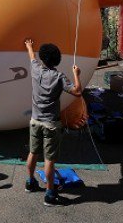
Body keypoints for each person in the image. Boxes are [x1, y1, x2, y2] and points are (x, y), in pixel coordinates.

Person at [23, 39, 82, 207]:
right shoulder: (59, 77)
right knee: (49, 160)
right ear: (57, 60)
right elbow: (77, 92)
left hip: (35, 121)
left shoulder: (35, 70)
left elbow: (31, 58)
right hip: (51, 124)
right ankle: (50, 194)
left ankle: (30, 182)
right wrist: (77, 75)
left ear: (42, 58)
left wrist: (29, 46)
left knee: (33, 152)